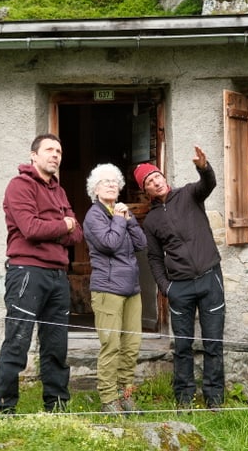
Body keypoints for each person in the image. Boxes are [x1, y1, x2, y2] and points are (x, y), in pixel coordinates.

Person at [0, 133, 84, 414]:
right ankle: (3, 408)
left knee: (56, 346)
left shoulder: (59, 190)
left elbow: (77, 233)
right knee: (17, 342)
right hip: (27, 271)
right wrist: (62, 225)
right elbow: (30, 229)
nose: (55, 155)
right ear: (34, 155)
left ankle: (56, 406)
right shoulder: (19, 186)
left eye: (59, 150)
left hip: (58, 275)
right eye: (49, 150)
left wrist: (60, 226)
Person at [135, 146, 225, 411]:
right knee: (183, 346)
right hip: (180, 287)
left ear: (165, 178)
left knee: (213, 343)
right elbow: (153, 258)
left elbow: (209, 183)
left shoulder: (189, 194)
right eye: (150, 181)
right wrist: (166, 288)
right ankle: (184, 397)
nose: (156, 181)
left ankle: (214, 398)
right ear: (146, 191)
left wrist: (203, 166)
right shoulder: (150, 221)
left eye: (157, 176)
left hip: (210, 278)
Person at [82, 163, 148, 415]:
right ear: (95, 189)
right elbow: (109, 243)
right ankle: (109, 400)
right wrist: (120, 220)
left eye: (114, 181)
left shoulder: (121, 213)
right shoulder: (94, 215)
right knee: (111, 345)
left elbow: (141, 243)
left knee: (131, 345)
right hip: (108, 288)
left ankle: (125, 396)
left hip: (132, 288)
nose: (111, 184)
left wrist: (129, 219)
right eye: (105, 181)